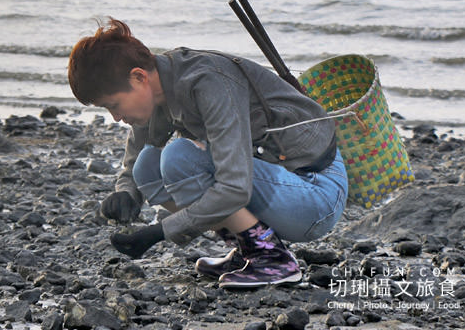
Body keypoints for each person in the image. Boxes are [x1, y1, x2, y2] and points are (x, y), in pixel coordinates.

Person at [67, 18, 347, 288]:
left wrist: (162, 231)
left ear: (139, 77)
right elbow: (137, 158)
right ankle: (249, 248)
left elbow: (234, 188)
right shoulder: (159, 86)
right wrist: (126, 193)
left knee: (179, 157)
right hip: (278, 183)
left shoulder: (207, 82)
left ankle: (273, 259)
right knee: (146, 168)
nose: (115, 117)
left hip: (317, 196)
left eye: (114, 105)